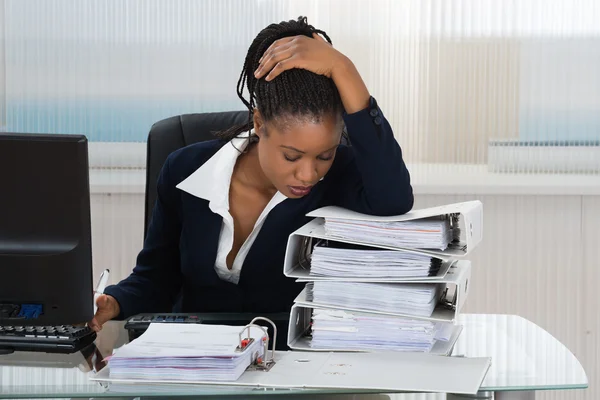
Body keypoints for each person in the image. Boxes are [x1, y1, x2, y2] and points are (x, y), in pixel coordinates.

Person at [89, 16, 413, 332]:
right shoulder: (185, 170)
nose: (308, 173)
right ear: (259, 124)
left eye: (324, 155)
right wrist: (114, 302)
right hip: (194, 368)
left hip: (293, 371)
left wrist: (343, 67)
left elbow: (393, 199)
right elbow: (156, 279)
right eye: (292, 156)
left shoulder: (341, 175)